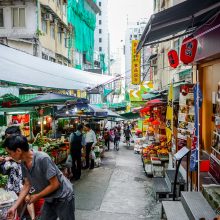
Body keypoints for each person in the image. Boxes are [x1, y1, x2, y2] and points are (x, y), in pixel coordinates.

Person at [3, 135, 75, 220]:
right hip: (49, 198)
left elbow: (55, 184)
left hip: (63, 197)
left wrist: (37, 196)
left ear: (18, 150)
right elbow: (27, 184)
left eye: (10, 153)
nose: (9, 156)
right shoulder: (23, 163)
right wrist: (14, 207)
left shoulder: (42, 158)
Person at [0, 126, 35, 220]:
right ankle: (20, 216)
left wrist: (10, 158)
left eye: (9, 136)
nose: (8, 138)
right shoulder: (11, 146)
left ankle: (32, 217)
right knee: (17, 195)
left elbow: (24, 159)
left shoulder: (23, 145)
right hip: (14, 174)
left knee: (26, 195)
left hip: (22, 173)